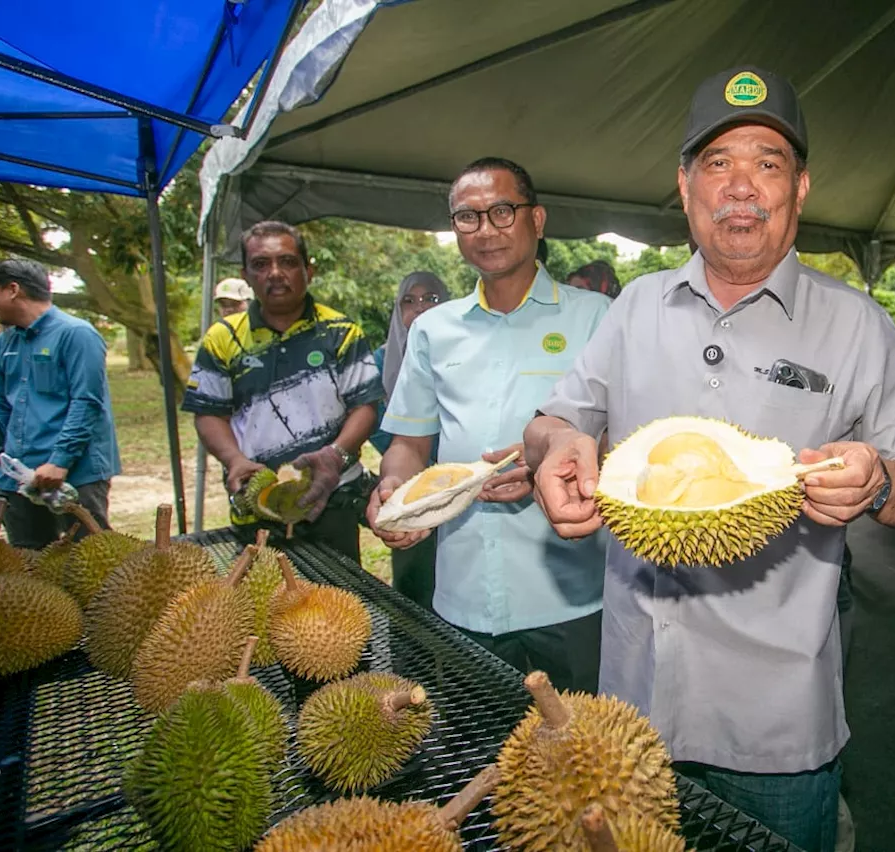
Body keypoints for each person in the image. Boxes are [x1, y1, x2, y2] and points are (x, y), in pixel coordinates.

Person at [522, 67, 895, 852]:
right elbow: (555, 420)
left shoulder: (855, 326)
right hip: (632, 704)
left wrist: (881, 479)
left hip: (776, 721)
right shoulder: (636, 306)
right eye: (717, 163)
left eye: (768, 162)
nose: (741, 186)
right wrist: (557, 447)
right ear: (685, 188)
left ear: (801, 187)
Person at [368, 157, 611, 693]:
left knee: (583, 767)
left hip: (572, 598)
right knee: (480, 760)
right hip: (462, 596)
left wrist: (551, 467)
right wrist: (393, 487)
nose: (486, 230)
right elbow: (410, 442)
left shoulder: (598, 318)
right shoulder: (433, 329)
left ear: (537, 219)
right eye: (467, 217)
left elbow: (626, 441)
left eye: (502, 211)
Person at [182, 221, 383, 564]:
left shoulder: (341, 332)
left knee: (337, 608)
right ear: (246, 275)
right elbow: (210, 413)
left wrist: (336, 454)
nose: (275, 273)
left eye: (288, 262)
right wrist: (234, 460)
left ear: (309, 271)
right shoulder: (222, 338)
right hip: (256, 502)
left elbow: (365, 406)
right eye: (261, 264)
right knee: (264, 607)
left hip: (331, 498)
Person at [0, 258, 120, 547]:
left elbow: (86, 402)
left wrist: (60, 461)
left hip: (75, 474)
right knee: (31, 569)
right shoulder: (5, 343)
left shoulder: (76, 334)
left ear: (12, 289)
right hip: (19, 477)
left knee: (89, 560)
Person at [370, 271, 448, 609]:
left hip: (456, 480)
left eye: (431, 299)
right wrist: (411, 458)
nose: (420, 308)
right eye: (409, 301)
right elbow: (376, 422)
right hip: (408, 480)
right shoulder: (380, 359)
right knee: (415, 584)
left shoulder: (467, 355)